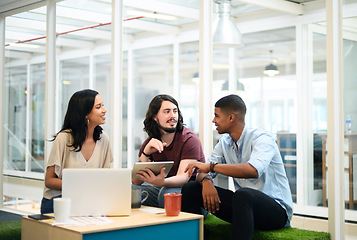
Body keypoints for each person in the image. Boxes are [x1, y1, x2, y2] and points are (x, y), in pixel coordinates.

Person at [182, 94, 293, 240]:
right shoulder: (224, 142)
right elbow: (203, 171)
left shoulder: (262, 138)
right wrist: (206, 181)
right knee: (190, 188)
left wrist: (211, 167)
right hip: (244, 208)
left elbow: (252, 170)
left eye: (216, 116)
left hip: (276, 212)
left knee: (243, 195)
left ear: (231, 118)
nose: (213, 120)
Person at [40, 89, 113, 214]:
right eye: (98, 107)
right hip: (59, 201)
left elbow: (106, 177)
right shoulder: (64, 138)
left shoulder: (103, 138)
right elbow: (49, 180)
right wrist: (81, 187)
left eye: (103, 106)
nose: (104, 110)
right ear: (85, 113)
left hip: (88, 201)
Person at [132, 94, 205, 208]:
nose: (173, 116)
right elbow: (136, 182)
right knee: (132, 191)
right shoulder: (150, 142)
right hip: (163, 188)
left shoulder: (189, 139)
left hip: (192, 194)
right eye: (167, 111)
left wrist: (161, 182)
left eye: (175, 111)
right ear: (155, 117)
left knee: (166, 194)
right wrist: (145, 153)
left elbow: (183, 178)